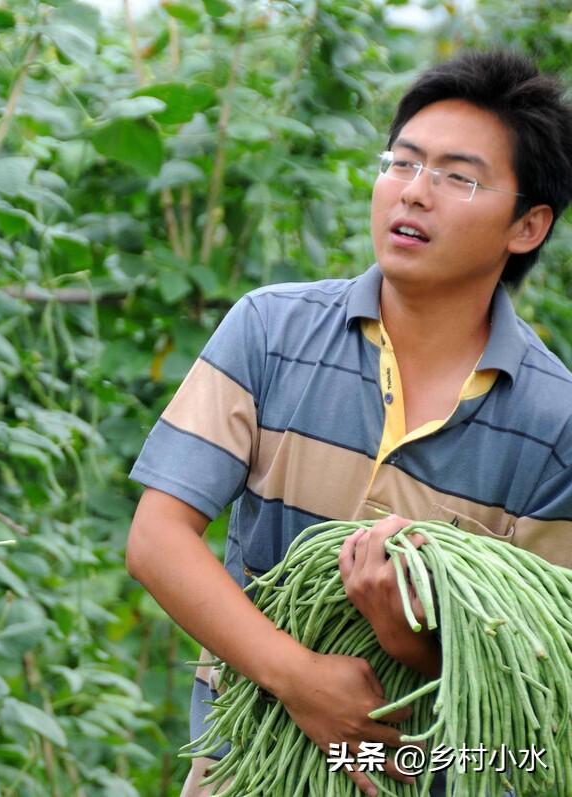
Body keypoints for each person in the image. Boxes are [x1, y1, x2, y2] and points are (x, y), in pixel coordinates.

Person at [126, 51, 572, 797]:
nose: (414, 193)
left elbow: (543, 669)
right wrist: (300, 677)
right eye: (401, 163)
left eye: (457, 177)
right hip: (240, 771)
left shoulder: (555, 421)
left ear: (527, 226)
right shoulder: (269, 329)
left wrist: (416, 641)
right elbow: (157, 537)